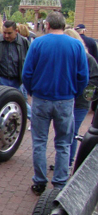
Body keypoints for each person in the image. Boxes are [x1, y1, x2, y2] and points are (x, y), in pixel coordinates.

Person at [22, 11, 88, 195]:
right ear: (64, 25)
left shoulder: (38, 43)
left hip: (42, 98)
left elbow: (27, 73)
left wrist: (32, 91)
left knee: (39, 142)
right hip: (65, 99)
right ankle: (59, 182)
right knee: (64, 143)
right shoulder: (76, 45)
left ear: (47, 25)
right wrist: (74, 91)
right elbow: (83, 75)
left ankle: (40, 181)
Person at [63, 28, 98, 168]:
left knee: (72, 132)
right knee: (67, 132)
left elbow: (94, 79)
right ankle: (66, 161)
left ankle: (68, 162)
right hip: (69, 100)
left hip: (79, 103)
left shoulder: (87, 59)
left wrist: (87, 97)